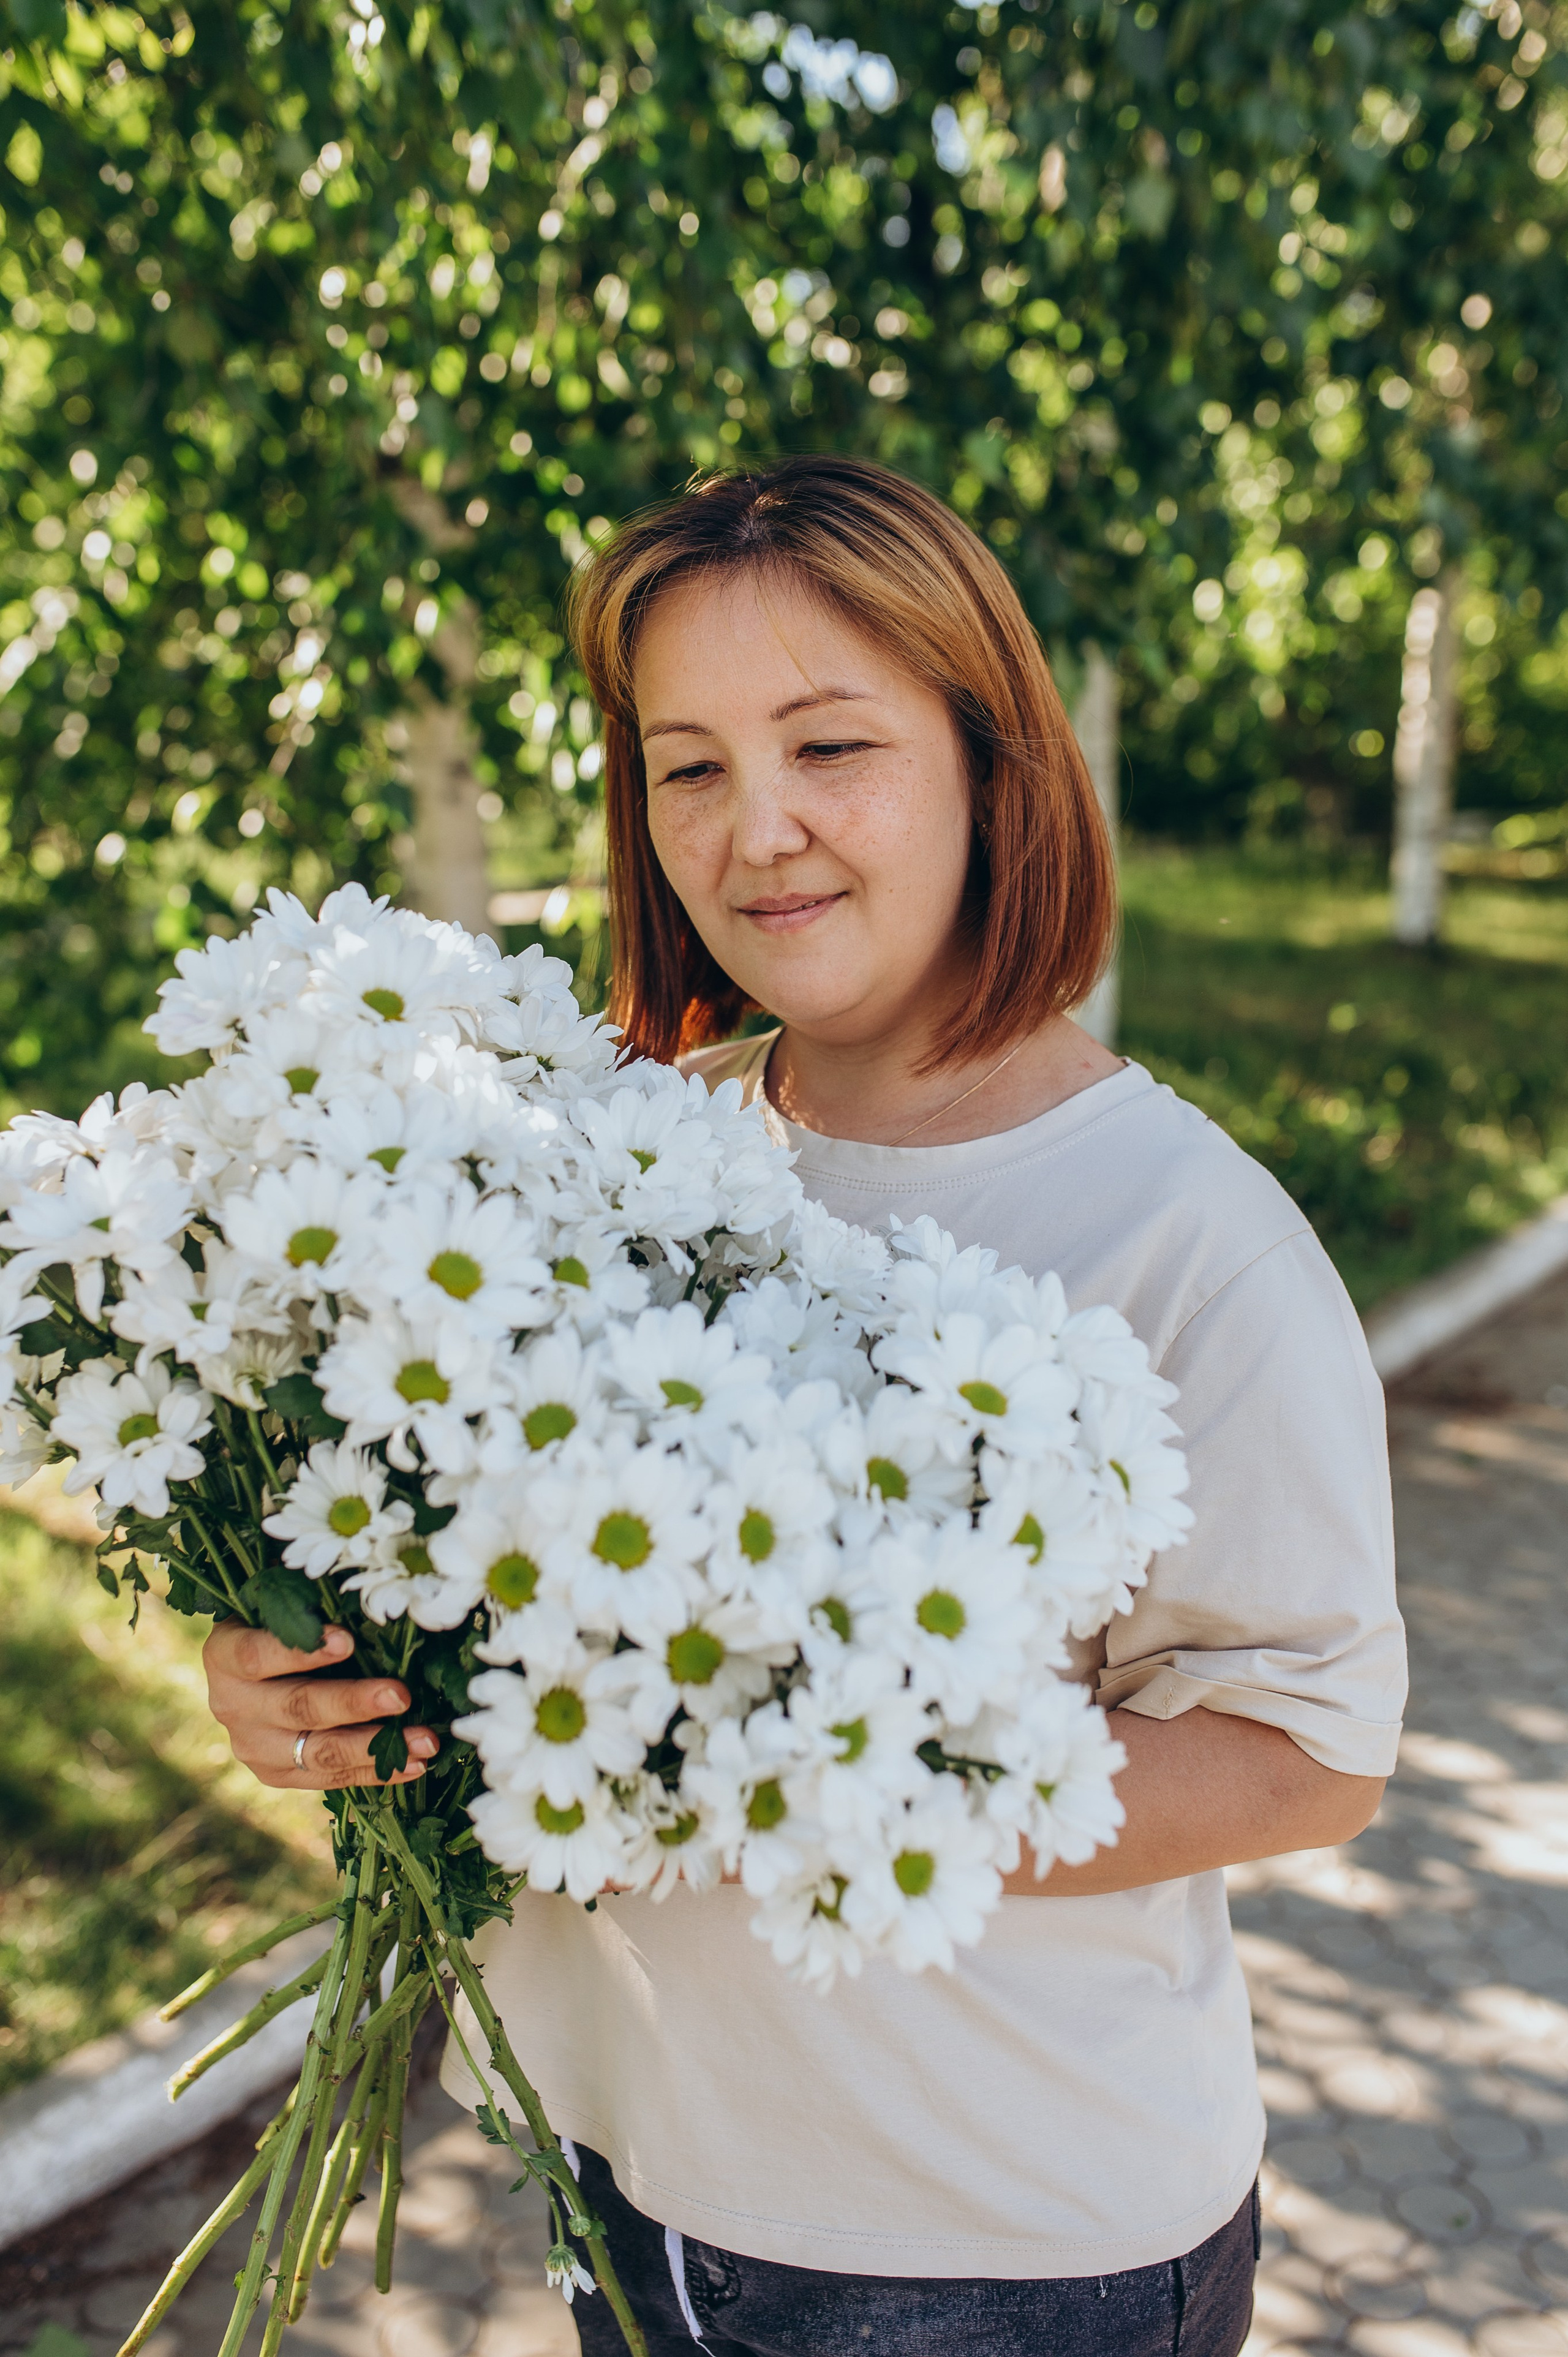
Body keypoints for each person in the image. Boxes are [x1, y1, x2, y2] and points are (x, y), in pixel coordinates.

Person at [202, 457, 1405, 2356]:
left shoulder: (1187, 1237)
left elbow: (1315, 1751)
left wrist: (834, 1789)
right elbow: (477, 1582)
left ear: (993, 765)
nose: (756, 829)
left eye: (830, 745)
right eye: (688, 765)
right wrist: (303, 1672)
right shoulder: (615, 1160)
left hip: (986, 2254)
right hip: (632, 2178)